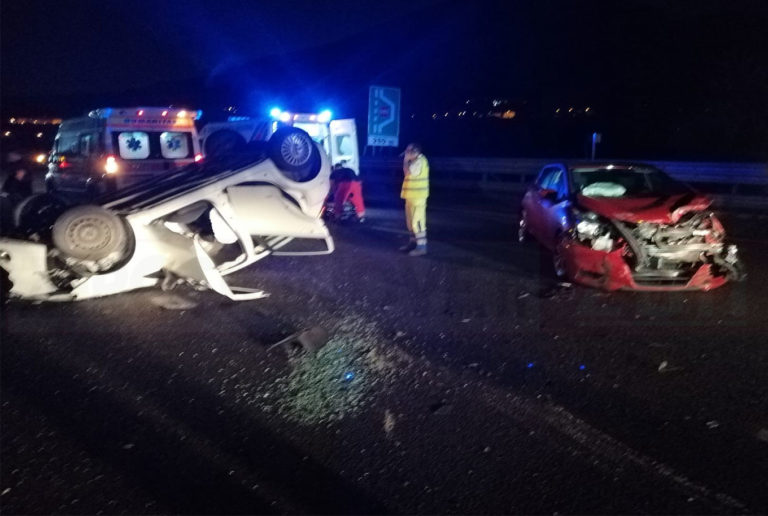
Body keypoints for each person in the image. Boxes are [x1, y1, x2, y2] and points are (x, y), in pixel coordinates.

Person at [400, 143, 429, 256]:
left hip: (418, 197)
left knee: (417, 222)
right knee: (410, 223)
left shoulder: (420, 161)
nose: (406, 154)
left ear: (414, 152)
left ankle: (422, 247)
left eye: (408, 152)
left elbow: (408, 172)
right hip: (411, 196)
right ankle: (412, 243)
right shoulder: (415, 161)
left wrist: (406, 160)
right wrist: (408, 160)